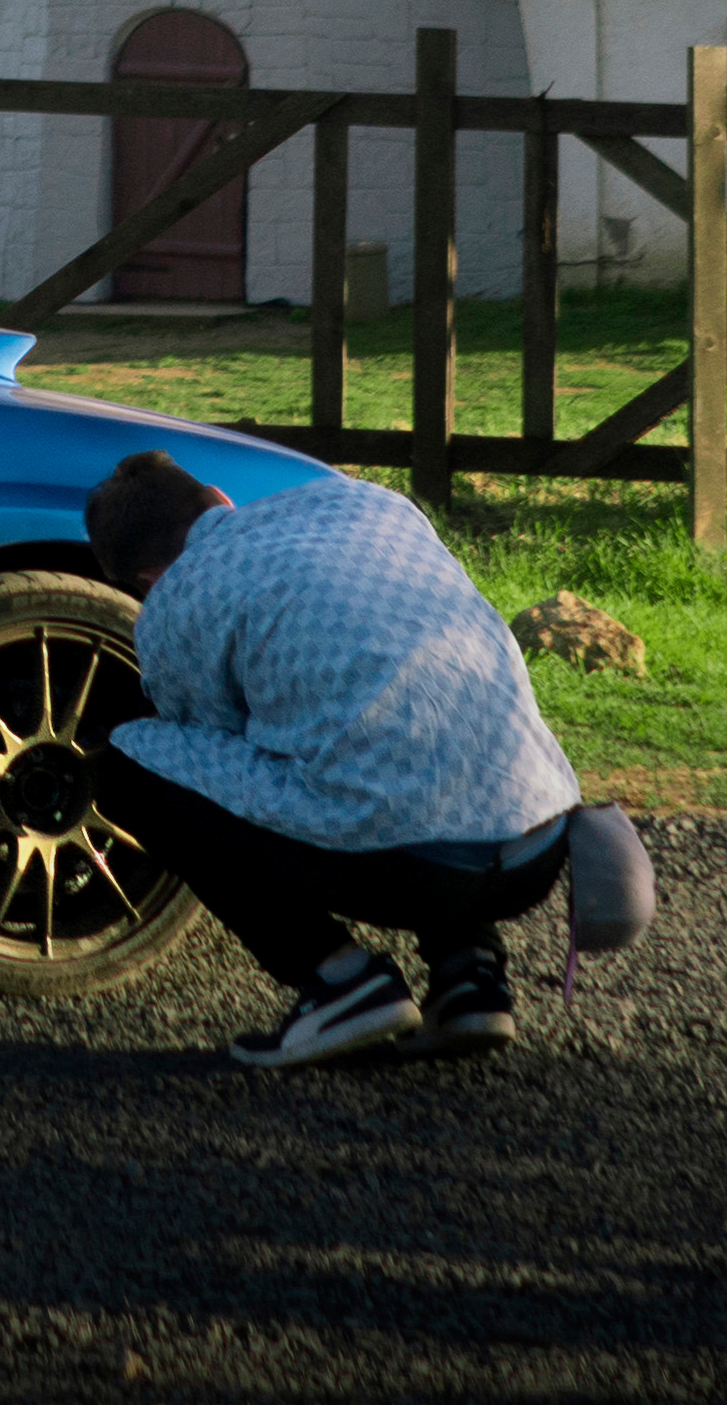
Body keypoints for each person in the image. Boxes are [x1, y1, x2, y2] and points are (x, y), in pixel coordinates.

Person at [85, 447, 579, 1068]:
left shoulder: (174, 602)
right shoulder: (367, 501)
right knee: (408, 723)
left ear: (144, 580)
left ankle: (342, 982)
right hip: (540, 841)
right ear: (219, 498)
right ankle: (469, 979)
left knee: (133, 766)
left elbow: (208, 748)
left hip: (415, 870)